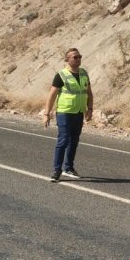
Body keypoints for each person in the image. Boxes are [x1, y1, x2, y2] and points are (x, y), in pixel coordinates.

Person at [43, 48, 93, 182]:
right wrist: (46, 113)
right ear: (67, 60)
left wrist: (90, 109)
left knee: (74, 141)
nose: (78, 59)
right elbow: (52, 95)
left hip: (78, 112)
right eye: (75, 57)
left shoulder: (83, 74)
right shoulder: (61, 75)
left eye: (79, 57)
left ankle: (69, 168)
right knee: (63, 140)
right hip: (64, 112)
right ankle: (56, 170)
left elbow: (89, 92)